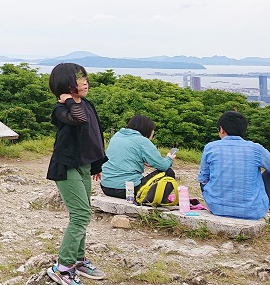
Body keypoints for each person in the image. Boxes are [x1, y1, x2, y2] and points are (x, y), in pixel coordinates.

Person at [45, 63, 107, 285]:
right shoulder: (61, 109)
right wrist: (69, 100)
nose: (85, 83)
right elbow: (79, 119)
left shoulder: (87, 104)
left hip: (83, 166)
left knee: (82, 214)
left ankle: (78, 260)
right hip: (66, 166)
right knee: (81, 215)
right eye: (78, 79)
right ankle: (62, 268)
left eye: (85, 78)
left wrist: (97, 164)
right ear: (66, 84)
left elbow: (95, 134)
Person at [198, 111, 270, 229]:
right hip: (252, 211)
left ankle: (219, 201)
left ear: (221, 129)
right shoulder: (256, 149)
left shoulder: (210, 147)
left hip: (216, 207)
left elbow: (203, 178)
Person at [101, 114, 176, 200]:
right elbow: (163, 166)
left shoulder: (116, 136)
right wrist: (169, 158)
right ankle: (150, 200)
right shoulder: (142, 141)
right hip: (128, 189)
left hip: (106, 187)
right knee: (169, 173)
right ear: (148, 130)